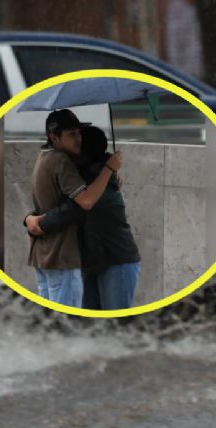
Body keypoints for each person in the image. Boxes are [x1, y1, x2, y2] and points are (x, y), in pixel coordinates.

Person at [26, 125, 140, 310]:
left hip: (116, 260)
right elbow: (58, 205)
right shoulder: (93, 178)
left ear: (84, 152)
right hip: (91, 261)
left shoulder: (95, 183)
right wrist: (30, 218)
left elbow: (70, 210)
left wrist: (36, 222)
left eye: (76, 146)